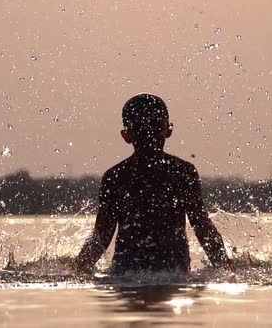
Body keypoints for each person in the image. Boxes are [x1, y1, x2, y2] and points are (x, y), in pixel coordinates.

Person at [75, 93, 231, 274]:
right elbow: (202, 226)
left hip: (126, 274)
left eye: (153, 126)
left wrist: (78, 270)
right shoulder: (182, 172)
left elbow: (100, 238)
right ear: (168, 130)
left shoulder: (116, 177)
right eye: (142, 128)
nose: (149, 134)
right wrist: (226, 267)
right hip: (174, 272)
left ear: (126, 135)